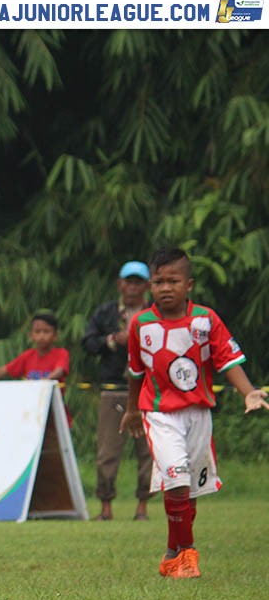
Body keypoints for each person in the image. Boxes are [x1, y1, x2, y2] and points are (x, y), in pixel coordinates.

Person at [119, 247, 267, 579]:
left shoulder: (206, 319)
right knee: (176, 476)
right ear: (150, 287)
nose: (165, 288)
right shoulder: (141, 324)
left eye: (173, 281)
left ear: (189, 285)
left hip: (199, 413)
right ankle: (186, 554)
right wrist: (131, 410)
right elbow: (135, 372)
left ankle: (173, 552)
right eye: (158, 282)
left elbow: (227, 359)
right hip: (159, 413)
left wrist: (249, 392)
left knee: (192, 489)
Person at [82, 261, 154, 521]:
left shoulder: (155, 312)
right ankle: (106, 508)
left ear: (147, 285)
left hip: (148, 390)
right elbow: (88, 343)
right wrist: (113, 341)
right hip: (114, 389)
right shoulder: (106, 313)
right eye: (129, 281)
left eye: (138, 282)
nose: (133, 287)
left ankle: (142, 507)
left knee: (148, 450)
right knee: (108, 450)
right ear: (120, 284)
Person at [0, 311, 70, 385]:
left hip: (55, 411)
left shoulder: (61, 353)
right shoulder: (27, 356)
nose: (41, 336)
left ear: (55, 335)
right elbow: (3, 370)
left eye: (46, 332)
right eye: (37, 332)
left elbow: (59, 371)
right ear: (31, 335)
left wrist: (44, 382)